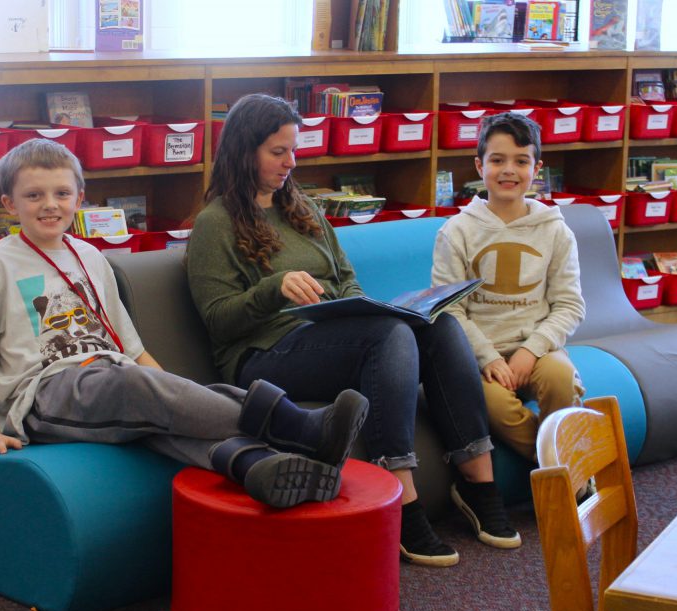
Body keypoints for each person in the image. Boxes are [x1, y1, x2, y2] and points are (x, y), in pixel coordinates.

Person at [186, 93, 521, 568]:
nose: (290, 163)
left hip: (327, 337)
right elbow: (219, 319)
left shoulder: (299, 207)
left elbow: (345, 278)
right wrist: (274, 288)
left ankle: (478, 483)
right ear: (244, 151)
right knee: (389, 336)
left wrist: (351, 305)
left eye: (293, 150)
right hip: (261, 354)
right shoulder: (214, 224)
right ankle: (400, 498)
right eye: (277, 152)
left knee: (439, 325)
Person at [0, 138, 370, 509]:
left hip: (111, 376)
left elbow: (133, 352)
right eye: (34, 195)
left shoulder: (91, 257)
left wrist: (176, 395)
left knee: (175, 403)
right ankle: (298, 426)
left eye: (61, 193)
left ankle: (257, 466)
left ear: (79, 197)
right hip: (45, 396)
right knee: (138, 389)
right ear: (9, 203)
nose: (49, 204)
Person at [432, 112, 585, 465]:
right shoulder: (457, 231)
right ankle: (565, 473)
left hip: (539, 350)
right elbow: (449, 308)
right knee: (494, 406)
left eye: (521, 161)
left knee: (561, 378)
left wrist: (531, 350)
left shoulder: (555, 230)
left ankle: (560, 475)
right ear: (479, 165)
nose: (508, 171)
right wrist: (487, 356)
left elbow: (569, 306)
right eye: (497, 160)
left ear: (537, 167)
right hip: (480, 356)